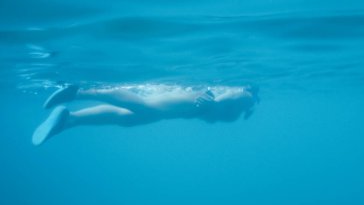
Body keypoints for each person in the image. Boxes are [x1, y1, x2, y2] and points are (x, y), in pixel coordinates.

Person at [32, 84, 259, 146]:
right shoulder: (247, 97)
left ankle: (70, 120)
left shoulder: (247, 105)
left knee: (129, 118)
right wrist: (211, 99)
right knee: (146, 107)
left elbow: (232, 99)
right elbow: (232, 94)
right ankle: (80, 91)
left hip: (189, 109)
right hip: (191, 101)